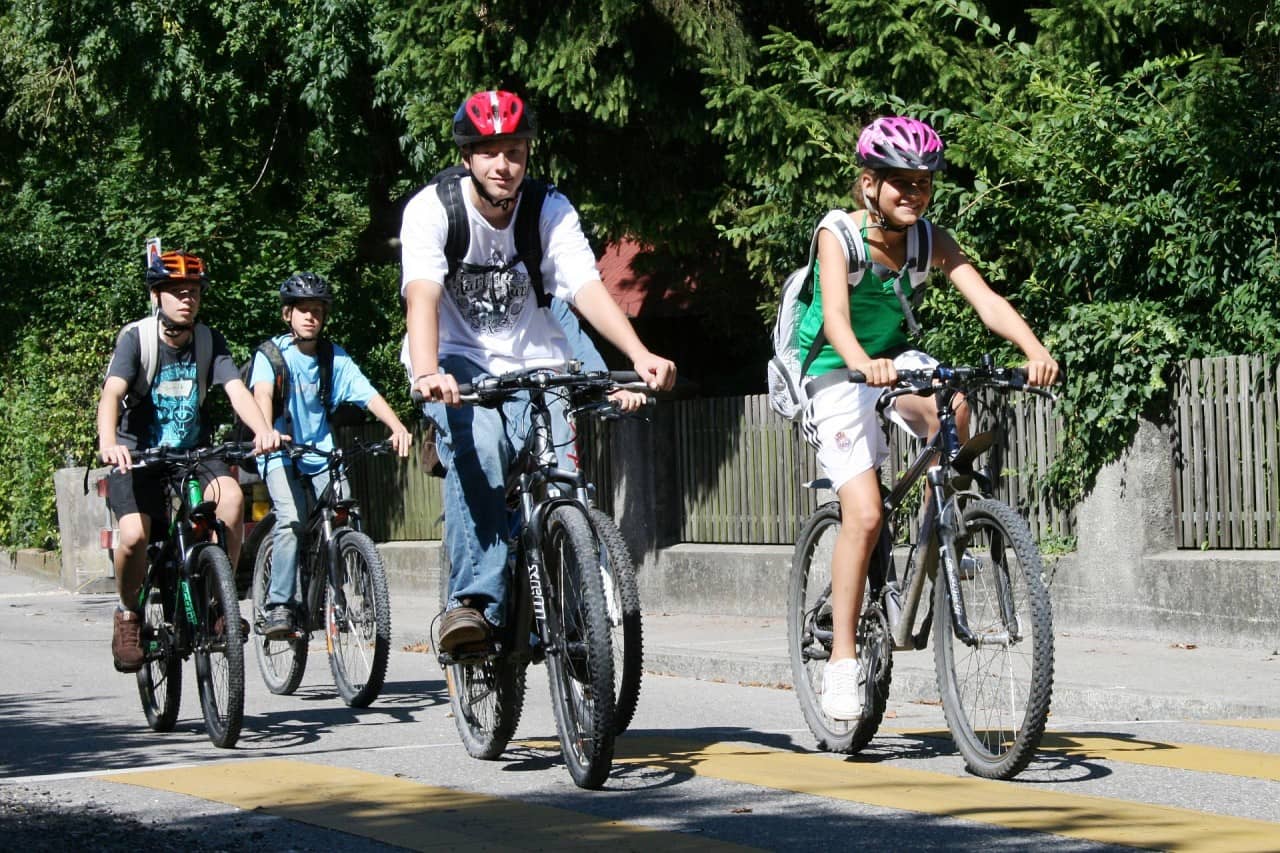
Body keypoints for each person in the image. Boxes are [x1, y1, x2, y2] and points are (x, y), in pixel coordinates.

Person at [798, 116, 1059, 720]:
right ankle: (841, 660)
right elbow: (835, 316)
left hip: (889, 361)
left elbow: (987, 298)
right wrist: (864, 363)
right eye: (899, 183)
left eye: (923, 183)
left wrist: (1034, 350)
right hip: (832, 368)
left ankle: (943, 528)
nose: (913, 193)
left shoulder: (928, 239)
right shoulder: (838, 235)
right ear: (869, 184)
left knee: (956, 402)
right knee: (862, 514)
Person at [401, 89, 676, 653]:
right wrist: (428, 371)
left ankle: (578, 615)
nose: (504, 164)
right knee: (479, 445)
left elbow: (585, 288)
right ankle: (474, 603)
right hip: (457, 362)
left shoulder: (549, 208)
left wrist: (638, 354)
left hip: (536, 360)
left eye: (515, 151)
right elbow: (422, 296)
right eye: (489, 151)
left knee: (560, 476)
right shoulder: (433, 210)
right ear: (468, 156)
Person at [98, 249, 282, 673]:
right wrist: (110, 442)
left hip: (191, 454)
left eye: (194, 292)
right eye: (177, 292)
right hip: (138, 454)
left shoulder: (208, 340)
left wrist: (262, 431)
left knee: (232, 499)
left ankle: (219, 602)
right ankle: (128, 614)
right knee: (133, 538)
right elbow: (111, 393)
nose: (187, 300)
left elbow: (237, 390)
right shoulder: (137, 339)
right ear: (157, 296)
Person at [251, 272, 414, 638]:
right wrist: (266, 432)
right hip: (278, 449)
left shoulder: (332, 357)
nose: (311, 317)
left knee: (346, 512)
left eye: (317, 311)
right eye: (303, 310)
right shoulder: (271, 356)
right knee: (291, 519)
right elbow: (261, 395)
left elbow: (367, 393)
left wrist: (397, 426)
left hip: (320, 450)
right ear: (287, 315)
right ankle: (280, 604)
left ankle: (361, 591)